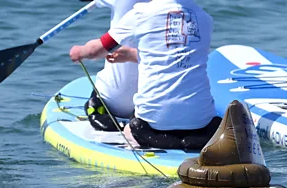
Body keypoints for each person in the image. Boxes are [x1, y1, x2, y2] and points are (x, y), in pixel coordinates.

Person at [69, 0, 221, 150]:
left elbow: (95, 51)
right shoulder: (204, 19)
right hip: (201, 126)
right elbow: (176, 58)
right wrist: (130, 55)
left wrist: (79, 52)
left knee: (129, 128)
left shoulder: (139, 14)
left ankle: (140, 138)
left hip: (151, 127)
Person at [78, 0, 146, 132]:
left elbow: (93, 52)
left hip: (116, 102)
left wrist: (79, 52)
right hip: (156, 106)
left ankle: (97, 107)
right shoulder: (188, 9)